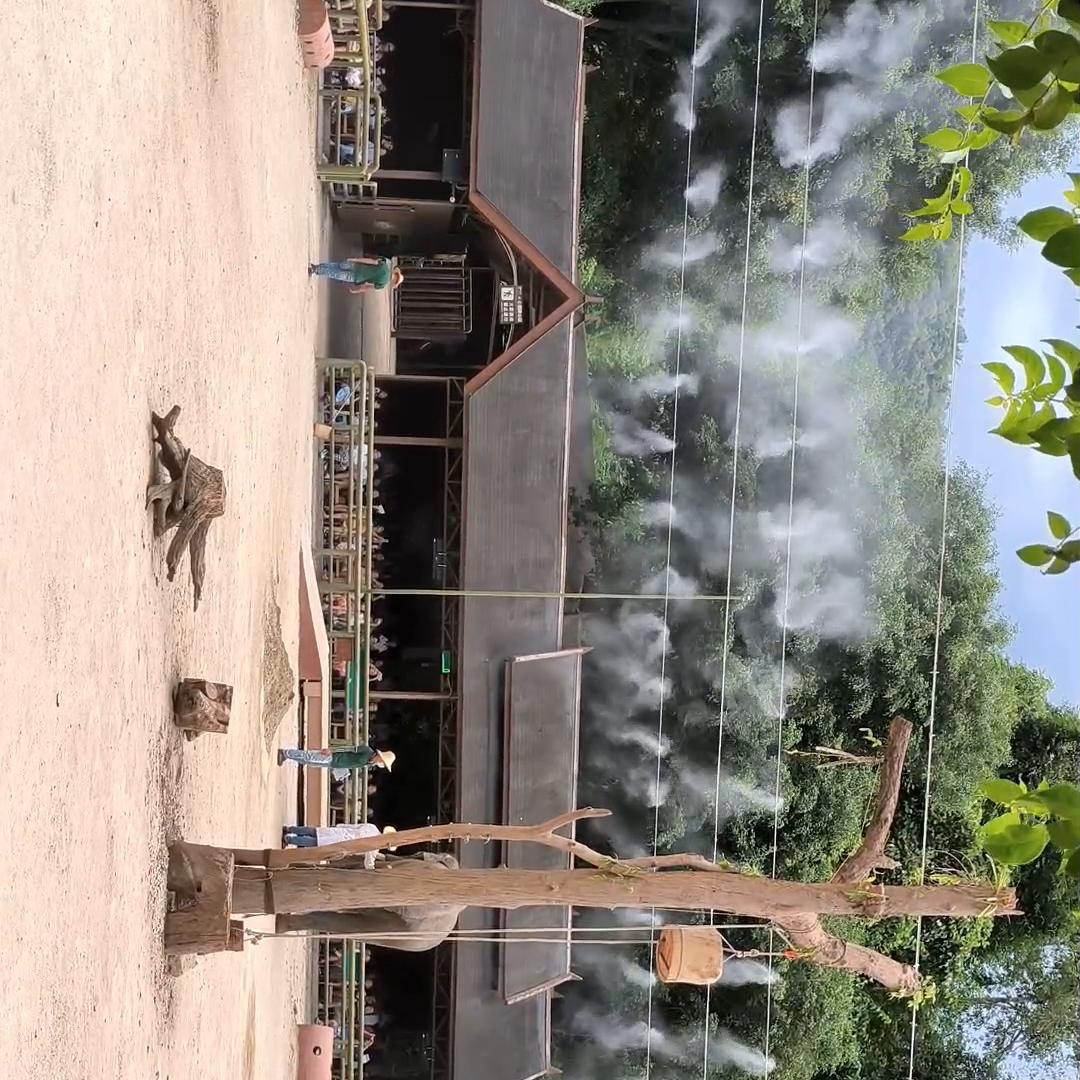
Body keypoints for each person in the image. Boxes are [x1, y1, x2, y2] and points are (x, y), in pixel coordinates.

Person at [309, 256, 404, 294]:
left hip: (356, 266)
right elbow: (367, 287)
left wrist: (356, 259)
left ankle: (318, 267)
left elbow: (370, 261)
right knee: (336, 274)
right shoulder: (383, 284)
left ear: (395, 273)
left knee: (338, 265)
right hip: (357, 277)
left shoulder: (385, 266)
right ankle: (316, 270)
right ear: (394, 281)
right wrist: (356, 291)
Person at [278, 744, 395, 772]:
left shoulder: (369, 763)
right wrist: (332, 750)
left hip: (336, 764)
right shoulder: (366, 751)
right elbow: (348, 748)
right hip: (335, 757)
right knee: (310, 756)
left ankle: (288, 756)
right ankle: (286, 753)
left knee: (309, 761)